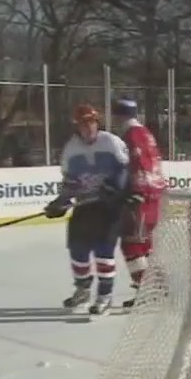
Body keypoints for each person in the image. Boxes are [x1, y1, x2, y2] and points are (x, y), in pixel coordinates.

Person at [44, 103, 132, 315]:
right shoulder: (71, 149)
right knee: (77, 249)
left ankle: (104, 295)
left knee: (103, 251)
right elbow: (70, 182)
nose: (89, 127)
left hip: (110, 206)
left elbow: (127, 169)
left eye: (92, 122)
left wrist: (116, 187)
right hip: (85, 205)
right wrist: (61, 201)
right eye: (84, 123)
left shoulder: (111, 142)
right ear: (77, 126)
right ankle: (82, 290)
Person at [110, 99, 169, 309]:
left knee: (132, 245)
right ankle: (158, 286)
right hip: (153, 195)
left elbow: (139, 163)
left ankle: (147, 290)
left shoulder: (131, 135)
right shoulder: (144, 132)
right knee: (144, 245)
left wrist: (136, 191)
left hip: (142, 197)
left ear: (119, 115)